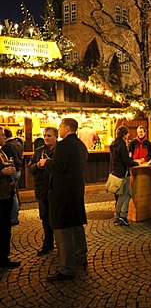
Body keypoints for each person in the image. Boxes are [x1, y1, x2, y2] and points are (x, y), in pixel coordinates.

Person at [38, 118, 88, 281]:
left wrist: (47, 162)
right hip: (76, 191)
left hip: (63, 193)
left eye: (60, 127)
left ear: (67, 128)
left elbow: (58, 168)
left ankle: (67, 268)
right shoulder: (80, 145)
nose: (59, 129)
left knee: (63, 228)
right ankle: (81, 256)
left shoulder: (64, 145)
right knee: (76, 224)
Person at [28, 127, 58, 256]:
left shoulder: (60, 151)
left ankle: (61, 245)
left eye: (49, 136)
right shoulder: (38, 152)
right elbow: (30, 169)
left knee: (56, 218)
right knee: (45, 217)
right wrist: (37, 165)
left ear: (56, 137)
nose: (46, 138)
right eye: (45, 136)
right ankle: (48, 243)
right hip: (42, 189)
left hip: (56, 190)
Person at [111, 126, 143, 226]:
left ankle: (122, 215)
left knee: (128, 193)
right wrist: (137, 163)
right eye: (127, 133)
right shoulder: (122, 145)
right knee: (123, 195)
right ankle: (118, 217)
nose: (128, 135)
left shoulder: (113, 144)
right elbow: (127, 161)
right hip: (123, 173)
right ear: (124, 135)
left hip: (116, 172)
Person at [0, 127, 19, 269]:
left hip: (6, 194)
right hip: (1, 196)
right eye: (1, 135)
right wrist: (2, 172)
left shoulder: (1, 151)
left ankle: (4, 258)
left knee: (5, 228)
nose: (3, 137)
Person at [2, 128, 23, 226]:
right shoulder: (18, 143)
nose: (3, 137)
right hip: (18, 169)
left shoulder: (7, 146)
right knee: (13, 193)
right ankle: (14, 215)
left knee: (11, 194)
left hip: (11, 172)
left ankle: (13, 217)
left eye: (3, 135)